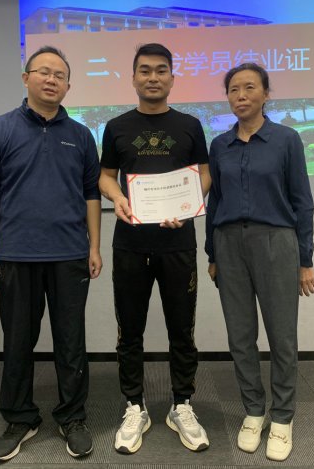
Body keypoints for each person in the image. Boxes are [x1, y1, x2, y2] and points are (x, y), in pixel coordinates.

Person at [0, 46, 102, 462]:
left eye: (60, 75)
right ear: (26, 78)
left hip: (70, 255)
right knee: (18, 341)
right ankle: (20, 419)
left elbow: (91, 193)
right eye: (43, 72)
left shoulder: (81, 135)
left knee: (71, 342)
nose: (51, 79)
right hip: (15, 255)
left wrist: (94, 246)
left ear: (68, 86)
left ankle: (72, 417)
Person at [99, 43, 211, 454]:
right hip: (130, 244)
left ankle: (182, 404)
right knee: (130, 330)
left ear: (172, 78)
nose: (152, 77)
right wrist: (117, 197)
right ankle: (135, 405)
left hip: (178, 243)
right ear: (133, 78)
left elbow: (205, 173)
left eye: (161, 70)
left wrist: (188, 206)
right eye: (144, 70)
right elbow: (105, 176)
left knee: (182, 329)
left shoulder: (190, 125)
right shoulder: (116, 126)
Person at [205, 62, 314, 462]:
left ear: (266, 94)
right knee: (240, 336)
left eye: (250, 87)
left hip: (276, 243)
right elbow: (214, 201)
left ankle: (282, 417)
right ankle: (254, 411)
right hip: (228, 244)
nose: (241, 95)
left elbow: (302, 201)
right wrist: (212, 252)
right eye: (234, 89)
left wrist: (305, 259)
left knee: (282, 336)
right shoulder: (220, 145)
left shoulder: (287, 139)